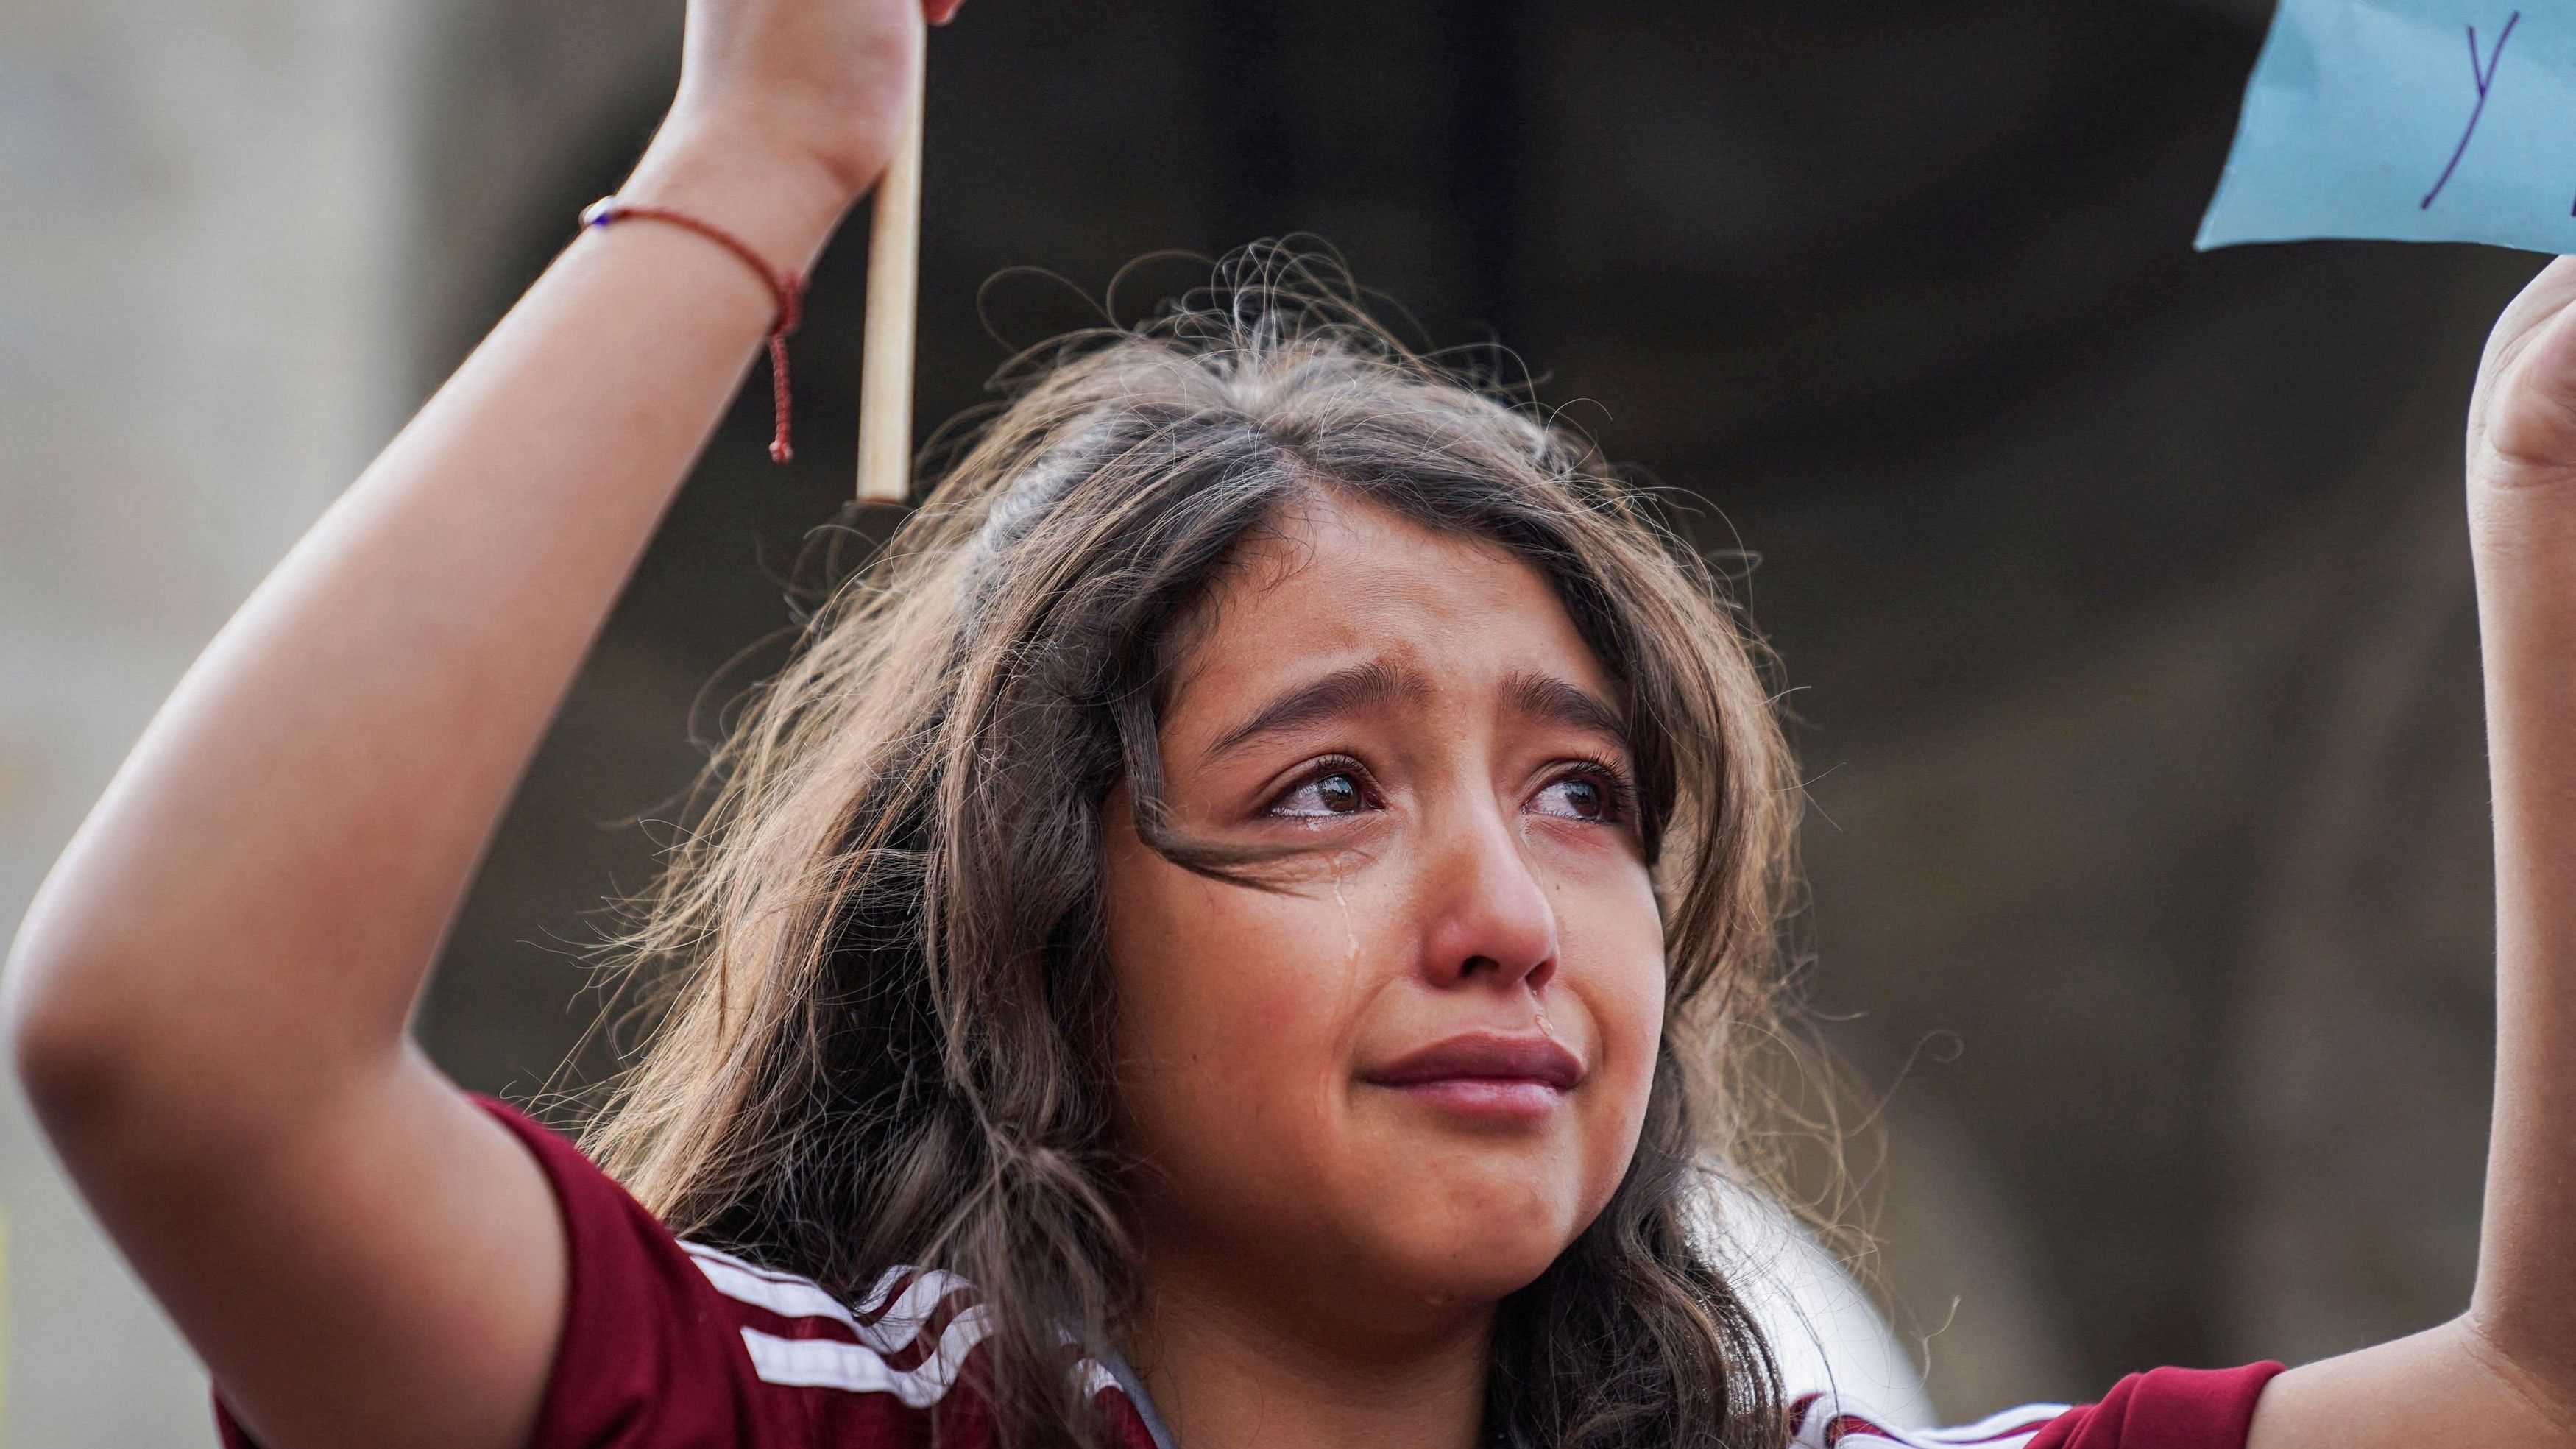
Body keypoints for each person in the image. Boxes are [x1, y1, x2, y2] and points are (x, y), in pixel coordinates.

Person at [7, 1, 2575, 1445]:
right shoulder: (775, 1422)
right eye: (1323, 786)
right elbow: (182, 1045)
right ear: (1036, 925)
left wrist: (2537, 486)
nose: (1508, 914)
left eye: (1582, 792)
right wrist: (760, 153)